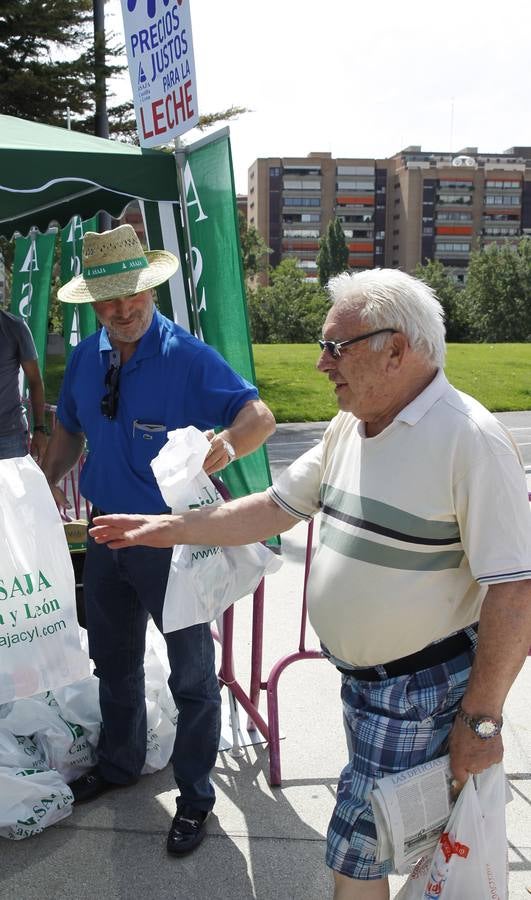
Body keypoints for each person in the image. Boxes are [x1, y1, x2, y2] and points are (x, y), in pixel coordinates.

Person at [90, 268, 531, 898]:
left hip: (420, 692)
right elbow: (274, 507)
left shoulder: (472, 441)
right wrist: (166, 527)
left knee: (356, 850)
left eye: (334, 347)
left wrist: (482, 724)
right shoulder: (352, 423)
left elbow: (516, 590)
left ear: (396, 349)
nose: (322, 365)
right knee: (416, 847)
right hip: (368, 689)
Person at [41, 224, 275, 857]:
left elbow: (259, 417)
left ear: (152, 287)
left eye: (133, 295)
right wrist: (35, 490)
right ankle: (120, 764)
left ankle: (195, 797)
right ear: (93, 302)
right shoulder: (88, 358)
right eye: (109, 300)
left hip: (175, 545)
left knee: (193, 677)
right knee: (112, 663)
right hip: (105, 537)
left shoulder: (186, 355)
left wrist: (226, 446)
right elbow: (67, 433)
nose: (123, 310)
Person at [0, 308, 48, 462]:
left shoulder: (15, 327)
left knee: (12, 487)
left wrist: (40, 429)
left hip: (8, 436)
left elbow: (35, 381)